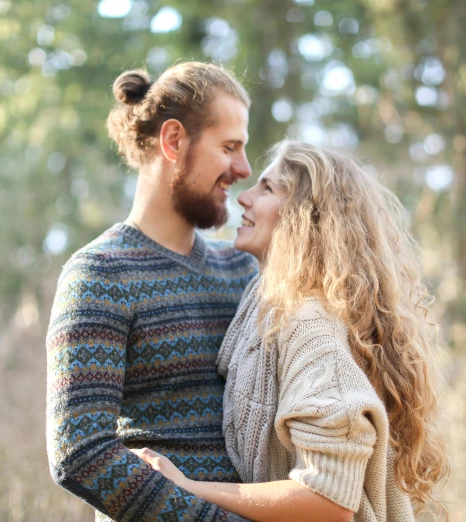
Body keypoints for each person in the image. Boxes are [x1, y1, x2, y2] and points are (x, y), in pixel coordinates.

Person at [134, 140, 449, 521]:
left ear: (307, 215)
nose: (244, 197)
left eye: (267, 188)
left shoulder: (308, 324)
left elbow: (329, 502)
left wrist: (188, 488)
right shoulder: (271, 309)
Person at [45, 63, 259, 522]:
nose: (243, 169)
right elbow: (81, 451)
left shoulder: (246, 272)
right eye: (229, 147)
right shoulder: (100, 273)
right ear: (174, 140)